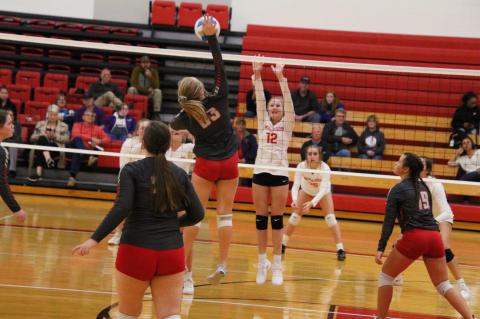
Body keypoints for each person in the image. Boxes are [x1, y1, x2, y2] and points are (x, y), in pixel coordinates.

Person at [72, 121, 204, 319]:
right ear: (168, 145)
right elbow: (197, 214)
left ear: (143, 143)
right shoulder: (179, 174)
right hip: (171, 252)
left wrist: (94, 240)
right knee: (170, 315)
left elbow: (122, 208)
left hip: (136, 250)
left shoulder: (131, 170)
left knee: (129, 314)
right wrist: (170, 225)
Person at [170, 16, 238, 293]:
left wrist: (183, 113)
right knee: (225, 215)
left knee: (193, 218)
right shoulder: (219, 96)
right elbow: (220, 67)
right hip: (230, 161)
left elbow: (173, 125)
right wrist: (212, 37)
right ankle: (222, 263)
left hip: (206, 165)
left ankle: (185, 276)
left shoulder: (184, 117)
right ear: (201, 90)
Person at [375, 152, 475, 319]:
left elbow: (389, 221)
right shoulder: (424, 186)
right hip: (434, 237)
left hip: (416, 236)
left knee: (386, 277)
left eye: (398, 162)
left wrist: (380, 247)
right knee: (443, 284)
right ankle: (470, 317)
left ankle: (380, 318)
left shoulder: (396, 189)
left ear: (405, 169)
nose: (395, 163)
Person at [251, 61, 295, 285]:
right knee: (260, 219)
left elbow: (288, 101)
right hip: (260, 171)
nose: (275, 106)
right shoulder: (263, 122)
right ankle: (262, 262)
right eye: (272, 105)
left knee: (276, 219)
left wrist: (280, 78)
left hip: (279, 174)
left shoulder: (287, 124)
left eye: (278, 104)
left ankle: (277, 264)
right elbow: (259, 98)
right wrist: (257, 74)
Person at [283, 145, 346, 261]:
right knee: (295, 217)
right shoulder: (301, 166)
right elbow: (296, 185)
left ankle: (340, 249)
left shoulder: (325, 168)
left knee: (330, 218)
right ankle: (282, 244)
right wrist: (294, 200)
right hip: (306, 191)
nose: (312, 156)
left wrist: (312, 203)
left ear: (320, 156)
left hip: (323, 193)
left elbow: (322, 190)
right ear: (306, 155)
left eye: (315, 154)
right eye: (310, 154)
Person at [421, 157, 471, 300]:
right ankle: (396, 275)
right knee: (404, 242)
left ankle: (462, 285)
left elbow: (445, 211)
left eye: (421, 164)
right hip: (426, 220)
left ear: (427, 169)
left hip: (442, 217)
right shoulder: (411, 184)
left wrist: (432, 222)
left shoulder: (435, 184)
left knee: (444, 247)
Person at [107, 119, 151, 246]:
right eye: (142, 128)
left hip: (147, 182)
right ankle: (117, 234)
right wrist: (140, 146)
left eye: (147, 128)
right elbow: (124, 164)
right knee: (122, 208)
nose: (144, 130)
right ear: (137, 130)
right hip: (128, 180)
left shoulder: (154, 144)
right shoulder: (129, 143)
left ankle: (141, 235)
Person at [27, 104, 70, 182]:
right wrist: (42, 135)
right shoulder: (40, 124)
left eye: (55, 115)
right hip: (42, 147)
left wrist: (55, 137)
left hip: (56, 147)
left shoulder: (64, 126)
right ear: (47, 115)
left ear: (58, 116)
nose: (53, 117)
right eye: (51, 115)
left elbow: (67, 139)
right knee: (42, 139)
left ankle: (38, 173)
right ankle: (47, 160)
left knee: (41, 148)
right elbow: (32, 138)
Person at [68, 110, 110, 187]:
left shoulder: (97, 128)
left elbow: (108, 139)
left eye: (92, 116)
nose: (90, 117)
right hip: (74, 148)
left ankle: (72, 177)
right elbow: (75, 135)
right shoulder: (77, 125)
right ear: (83, 117)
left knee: (78, 152)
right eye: (88, 115)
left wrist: (99, 141)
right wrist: (91, 139)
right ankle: (86, 155)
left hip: (82, 151)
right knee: (77, 140)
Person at [0, 109, 26, 223]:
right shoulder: (1, 152)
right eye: (9, 123)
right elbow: (1, 183)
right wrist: (16, 209)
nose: (13, 126)